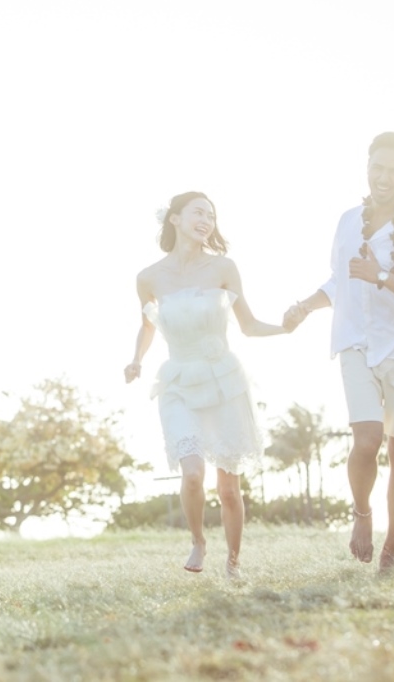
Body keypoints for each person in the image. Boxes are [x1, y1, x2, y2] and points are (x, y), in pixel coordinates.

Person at [284, 131, 394, 573]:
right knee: (366, 440)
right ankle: (362, 514)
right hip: (355, 342)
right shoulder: (346, 221)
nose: (384, 176)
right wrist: (305, 305)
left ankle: (391, 550)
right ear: (367, 167)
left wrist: (382, 277)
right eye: (378, 167)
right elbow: (340, 280)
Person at [124, 191, 288, 579]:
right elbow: (148, 325)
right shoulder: (148, 278)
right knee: (193, 472)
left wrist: (285, 326)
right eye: (198, 212)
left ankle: (234, 562)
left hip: (223, 382)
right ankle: (198, 540)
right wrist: (136, 360)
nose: (206, 220)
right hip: (178, 381)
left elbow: (248, 326)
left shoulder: (224, 268)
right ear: (175, 219)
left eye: (211, 216)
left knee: (229, 489)